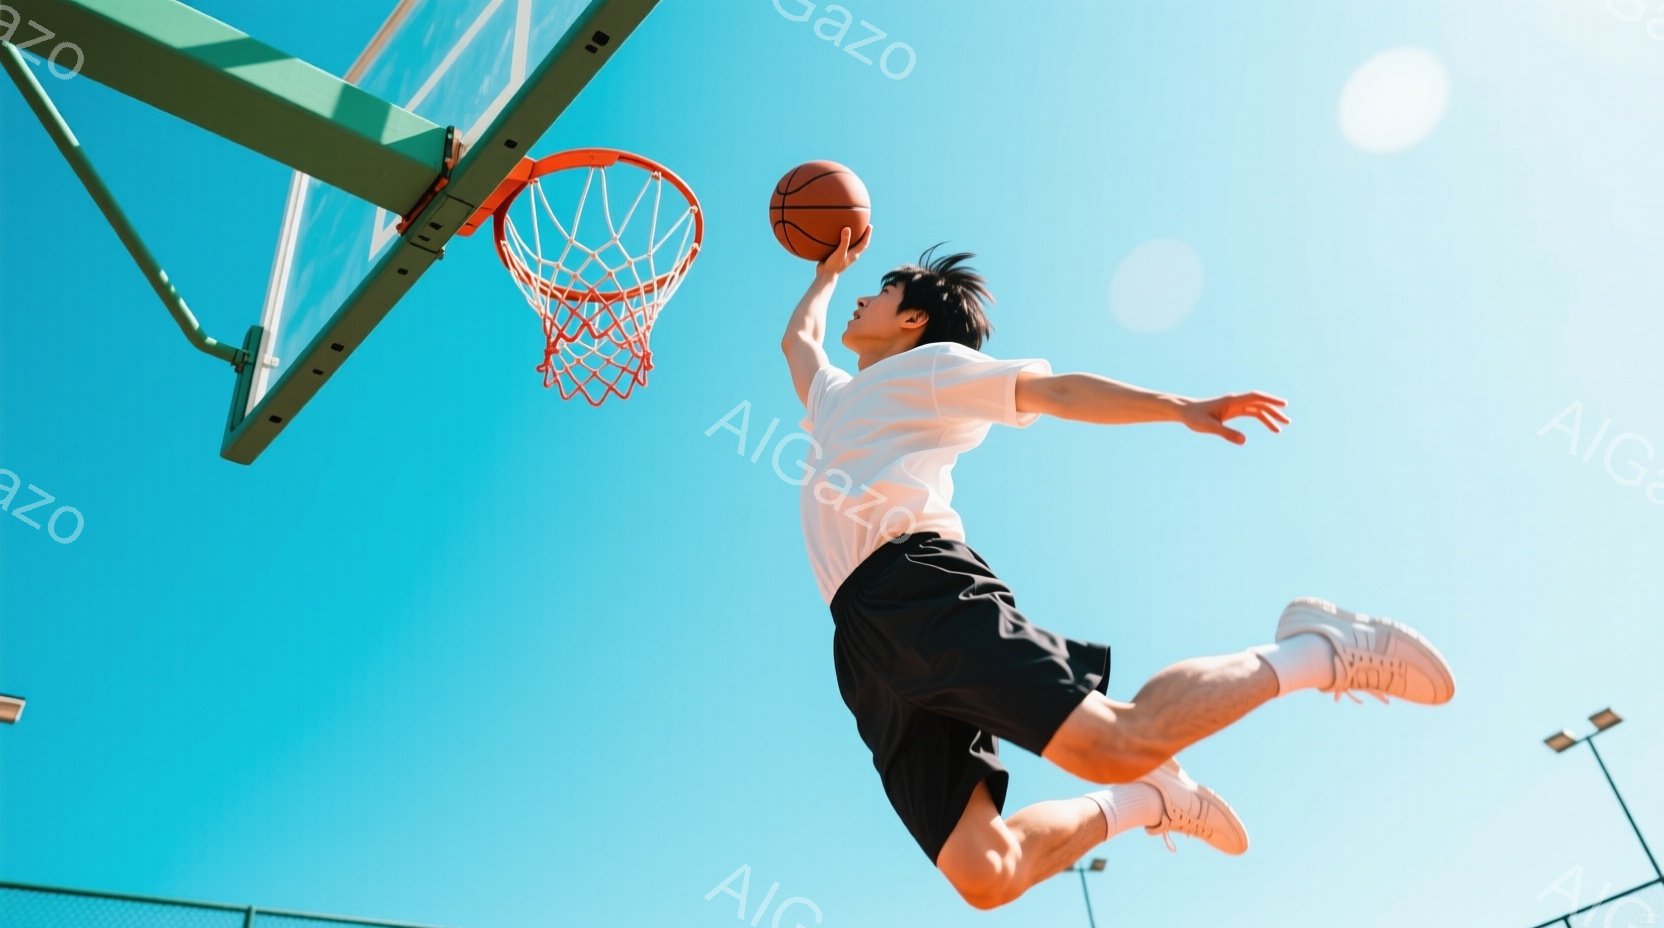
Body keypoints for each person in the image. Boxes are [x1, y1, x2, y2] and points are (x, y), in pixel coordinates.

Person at [780, 228, 1456, 911]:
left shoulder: (929, 371)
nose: (862, 298)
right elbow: (798, 344)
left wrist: (1179, 407)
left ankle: (1315, 648)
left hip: (917, 583)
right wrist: (824, 275)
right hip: (861, 639)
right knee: (987, 874)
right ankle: (1145, 801)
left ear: (914, 319)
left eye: (882, 291)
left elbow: (1059, 392)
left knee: (1117, 740)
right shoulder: (835, 400)